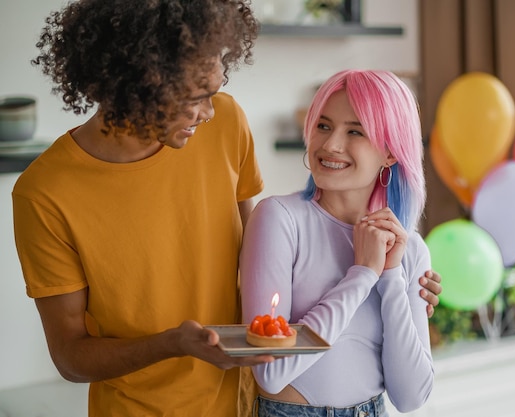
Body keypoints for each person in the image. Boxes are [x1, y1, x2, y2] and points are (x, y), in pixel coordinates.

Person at [12, 2, 442, 416]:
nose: (209, 112)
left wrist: (398, 292)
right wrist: (173, 343)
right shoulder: (46, 193)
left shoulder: (226, 125)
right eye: (196, 96)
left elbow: (256, 264)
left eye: (214, 91)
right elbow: (71, 357)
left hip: (246, 405)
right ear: (140, 82)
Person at [240, 69, 435, 417]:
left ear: (390, 152)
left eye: (355, 131)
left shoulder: (409, 249)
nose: (330, 145)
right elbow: (270, 372)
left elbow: (411, 397)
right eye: (324, 126)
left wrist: (390, 277)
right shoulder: (279, 220)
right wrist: (361, 275)